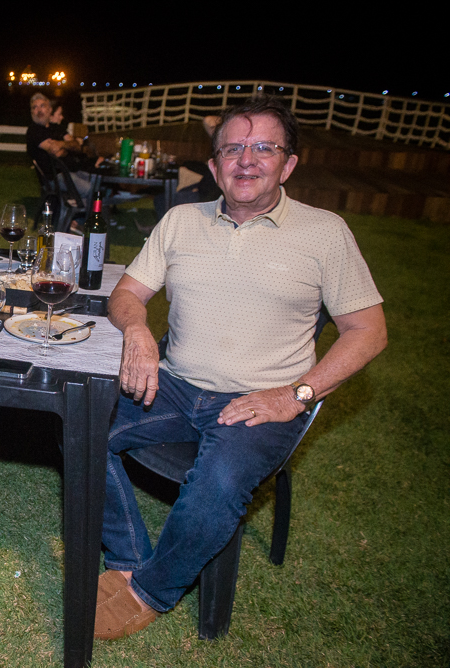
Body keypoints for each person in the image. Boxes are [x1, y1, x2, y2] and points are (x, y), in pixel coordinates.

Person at [94, 95, 388, 639]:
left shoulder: (325, 232)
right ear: (214, 166)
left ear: (288, 164)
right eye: (232, 149)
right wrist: (137, 331)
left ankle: (149, 592)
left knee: (219, 483)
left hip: (263, 400)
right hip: (176, 385)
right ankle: (129, 557)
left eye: (263, 148)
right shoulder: (181, 220)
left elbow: (369, 331)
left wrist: (296, 395)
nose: (246, 160)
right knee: (81, 427)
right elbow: (126, 294)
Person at [26, 92, 101, 205]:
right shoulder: (34, 131)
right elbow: (55, 152)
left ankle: (82, 211)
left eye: (42, 106)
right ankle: (76, 213)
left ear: (49, 110)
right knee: (90, 189)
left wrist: (61, 144)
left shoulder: (57, 128)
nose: (39, 110)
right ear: (32, 112)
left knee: (98, 181)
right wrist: (68, 146)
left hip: (69, 170)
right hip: (54, 178)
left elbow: (77, 146)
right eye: (34, 107)